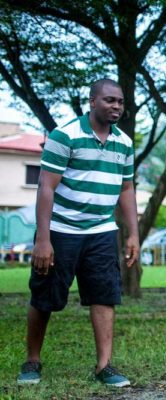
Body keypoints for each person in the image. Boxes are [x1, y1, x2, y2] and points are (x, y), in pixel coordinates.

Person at [17, 79, 139, 386]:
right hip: (61, 230)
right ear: (93, 101)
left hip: (101, 231)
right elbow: (46, 186)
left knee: (104, 295)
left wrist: (133, 234)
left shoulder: (124, 142)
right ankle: (32, 361)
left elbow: (127, 189)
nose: (116, 107)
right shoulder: (65, 135)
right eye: (110, 100)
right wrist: (43, 239)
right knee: (44, 296)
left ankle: (104, 366)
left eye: (120, 102)